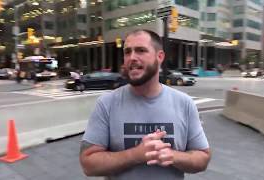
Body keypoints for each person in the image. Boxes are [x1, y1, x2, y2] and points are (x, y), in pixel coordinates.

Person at [80, 29, 211, 180]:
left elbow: (203, 158)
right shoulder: (106, 104)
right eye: (127, 52)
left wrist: (173, 156)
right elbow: (88, 164)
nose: (132, 57)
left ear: (159, 56)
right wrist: (136, 155)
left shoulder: (184, 103)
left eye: (141, 50)